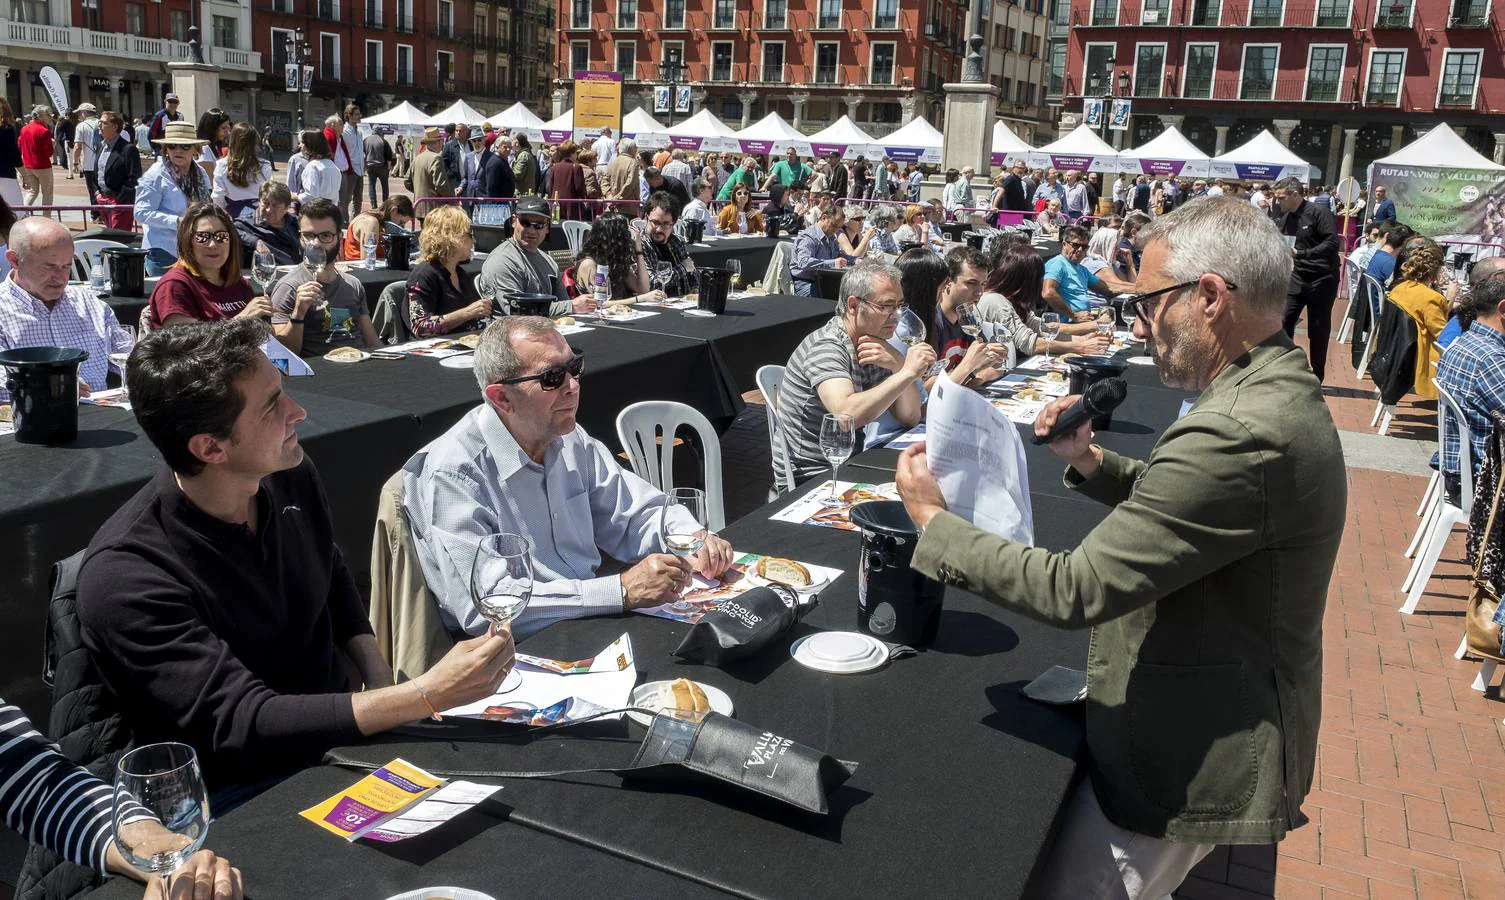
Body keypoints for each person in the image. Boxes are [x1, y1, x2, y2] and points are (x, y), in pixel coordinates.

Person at [894, 196, 1345, 899]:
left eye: (1148, 303)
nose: (1141, 324)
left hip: (1189, 745)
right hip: (1207, 707)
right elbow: (1196, 505)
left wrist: (933, 522)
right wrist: (1091, 463)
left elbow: (1074, 590)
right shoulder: (1269, 387)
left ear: (1208, 298)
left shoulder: (1239, 428)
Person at [75, 317, 516, 801]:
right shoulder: (127, 574)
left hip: (342, 743)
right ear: (209, 447)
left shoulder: (287, 473)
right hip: (240, 793)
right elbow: (243, 721)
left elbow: (327, 568)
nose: (298, 412)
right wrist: (423, 695)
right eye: (271, 408)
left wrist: (378, 673)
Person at [403, 316, 735, 636]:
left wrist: (692, 536)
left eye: (574, 369)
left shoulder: (570, 439)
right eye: (552, 377)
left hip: (591, 622)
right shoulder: (455, 472)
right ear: (501, 398)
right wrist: (618, 591)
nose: (573, 386)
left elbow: (636, 512)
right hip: (514, 651)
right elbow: (487, 605)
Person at [777, 262, 934, 483]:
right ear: (853, 305)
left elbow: (910, 417)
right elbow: (845, 416)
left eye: (900, 305)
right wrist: (906, 373)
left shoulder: (874, 344)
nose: (896, 315)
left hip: (852, 462)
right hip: (811, 476)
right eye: (886, 306)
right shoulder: (827, 346)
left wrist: (899, 365)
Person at [0, 217, 133, 402]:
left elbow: (129, 356)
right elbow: (2, 383)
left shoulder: (88, 302)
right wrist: (48, 383)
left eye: (67, 266)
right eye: (49, 266)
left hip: (101, 414)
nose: (60, 277)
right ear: (14, 260)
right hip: (32, 419)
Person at [272, 198, 380, 356]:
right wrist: (298, 313)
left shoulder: (352, 284)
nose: (316, 243)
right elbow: (284, 355)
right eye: (308, 235)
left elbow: (372, 342)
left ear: (339, 238)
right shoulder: (289, 287)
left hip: (360, 365)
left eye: (325, 236)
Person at [1436, 267, 1505, 499]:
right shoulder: (1491, 358)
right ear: (1502, 309)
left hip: (1460, 473)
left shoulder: (1464, 341)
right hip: (1481, 482)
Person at [147, 202, 270, 328]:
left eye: (221, 236)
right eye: (202, 237)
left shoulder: (240, 285)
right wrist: (242, 319)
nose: (212, 245)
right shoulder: (175, 285)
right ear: (187, 241)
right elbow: (185, 342)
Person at [978, 242, 1109, 359]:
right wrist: (1080, 346)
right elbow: (1029, 343)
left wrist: (1083, 339)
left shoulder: (1012, 299)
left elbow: (1040, 327)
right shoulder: (995, 301)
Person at [1270, 176, 1340, 382]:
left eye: (1281, 198)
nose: (1278, 202)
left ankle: (1318, 376)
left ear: (1295, 194)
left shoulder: (1319, 213)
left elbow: (1331, 243)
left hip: (1322, 278)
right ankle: (1283, 370)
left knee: (1317, 330)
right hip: (1297, 277)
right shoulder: (1285, 217)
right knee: (1284, 321)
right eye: (1276, 198)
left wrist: (1302, 254)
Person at [476, 196, 583, 317]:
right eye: (525, 223)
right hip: (512, 332)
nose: (531, 230)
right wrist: (571, 306)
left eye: (539, 225)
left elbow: (564, 302)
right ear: (513, 221)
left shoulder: (548, 261)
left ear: (547, 228)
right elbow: (517, 312)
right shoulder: (502, 260)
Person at [136, 122, 213, 276]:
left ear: (195, 149)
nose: (178, 150)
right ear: (166, 149)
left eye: (184, 146)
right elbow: (141, 213)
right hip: (163, 253)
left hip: (195, 250)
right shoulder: (155, 174)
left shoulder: (200, 173)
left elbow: (207, 204)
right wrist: (177, 221)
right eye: (172, 146)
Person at [405, 204, 489, 336]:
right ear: (452, 237)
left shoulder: (460, 273)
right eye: (469, 235)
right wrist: (467, 313)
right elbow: (421, 327)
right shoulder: (424, 275)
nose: (474, 240)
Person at [1386, 243, 1450, 400]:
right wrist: (1451, 299)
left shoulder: (1399, 288)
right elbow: (1442, 335)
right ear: (1435, 272)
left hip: (1393, 349)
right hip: (1417, 356)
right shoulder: (1431, 298)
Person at [1043, 225, 1130, 317]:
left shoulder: (1081, 269)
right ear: (1064, 244)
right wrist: (1073, 315)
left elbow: (1109, 288)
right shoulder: (1057, 264)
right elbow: (1048, 293)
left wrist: (1138, 288)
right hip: (1067, 324)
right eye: (1076, 245)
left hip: (1085, 319)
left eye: (1084, 247)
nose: (1080, 250)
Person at [572, 212, 649, 305]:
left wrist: (639, 251)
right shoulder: (589, 264)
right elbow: (600, 303)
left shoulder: (616, 261)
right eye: (626, 232)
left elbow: (643, 289)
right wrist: (639, 299)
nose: (629, 237)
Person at [639, 191, 700, 297]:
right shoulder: (640, 244)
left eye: (666, 224)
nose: (659, 229)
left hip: (682, 303)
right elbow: (652, 284)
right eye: (655, 222)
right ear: (646, 217)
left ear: (674, 224)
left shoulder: (677, 241)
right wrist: (682, 268)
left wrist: (695, 288)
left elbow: (692, 273)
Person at [211, 123, 272, 218]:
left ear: (232, 141)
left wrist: (224, 215)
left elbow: (218, 196)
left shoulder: (222, 165)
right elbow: (269, 193)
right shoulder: (265, 166)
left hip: (234, 214)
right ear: (255, 143)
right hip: (258, 213)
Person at [95, 111, 143, 230]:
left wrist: (119, 199)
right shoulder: (102, 146)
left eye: (104, 123)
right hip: (103, 200)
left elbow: (135, 177)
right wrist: (97, 194)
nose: (99, 126)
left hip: (119, 202)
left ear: (115, 127)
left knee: (118, 238)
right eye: (99, 122)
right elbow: (96, 172)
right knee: (110, 236)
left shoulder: (128, 149)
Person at [791, 203, 851, 296]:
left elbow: (838, 256)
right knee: (837, 293)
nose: (836, 230)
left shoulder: (831, 236)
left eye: (839, 227)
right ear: (824, 218)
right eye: (834, 225)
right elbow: (804, 262)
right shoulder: (808, 237)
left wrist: (856, 260)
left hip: (823, 281)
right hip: (805, 284)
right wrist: (833, 263)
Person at [236, 181, 300, 265]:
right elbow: (231, 230)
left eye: (275, 205)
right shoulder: (246, 225)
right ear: (259, 202)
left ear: (287, 207)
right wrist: (255, 242)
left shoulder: (296, 222)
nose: (269, 210)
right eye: (266, 203)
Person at [411, 127, 456, 220]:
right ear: (437, 143)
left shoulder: (417, 158)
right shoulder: (436, 158)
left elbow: (408, 182)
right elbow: (441, 185)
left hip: (419, 205)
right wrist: (452, 198)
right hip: (433, 207)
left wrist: (420, 191)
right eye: (441, 142)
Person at [295, 129, 342, 209]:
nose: (300, 145)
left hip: (316, 213)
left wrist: (295, 196)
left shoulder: (313, 166)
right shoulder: (333, 166)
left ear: (309, 145)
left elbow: (311, 196)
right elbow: (335, 197)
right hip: (331, 211)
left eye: (302, 142)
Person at [19, 106, 54, 209]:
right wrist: (53, 144)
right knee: (47, 193)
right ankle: (46, 217)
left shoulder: (24, 129)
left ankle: (23, 213)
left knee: (32, 192)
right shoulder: (44, 131)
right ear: (42, 116)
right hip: (42, 166)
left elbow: (19, 145)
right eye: (48, 115)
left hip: (28, 165)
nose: (50, 118)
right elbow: (49, 152)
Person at [70, 104, 102, 215]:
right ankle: (106, 212)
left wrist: (75, 162)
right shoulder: (103, 123)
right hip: (104, 162)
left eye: (80, 113)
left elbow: (77, 146)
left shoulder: (81, 126)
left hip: (89, 163)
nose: (79, 115)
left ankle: (96, 214)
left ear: (84, 112)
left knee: (93, 190)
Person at [335, 104, 365, 221]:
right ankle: (344, 221)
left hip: (361, 170)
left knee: (359, 199)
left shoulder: (359, 132)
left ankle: (355, 220)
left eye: (359, 114)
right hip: (350, 170)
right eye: (357, 114)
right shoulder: (344, 132)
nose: (359, 116)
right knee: (346, 199)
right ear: (349, 116)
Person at [548, 139, 587, 221]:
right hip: (572, 206)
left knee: (557, 229)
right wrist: (584, 198)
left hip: (556, 204)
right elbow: (579, 187)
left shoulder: (554, 167)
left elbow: (550, 188)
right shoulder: (576, 167)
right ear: (572, 154)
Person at [602, 137, 641, 217]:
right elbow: (630, 184)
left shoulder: (612, 162)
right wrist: (617, 199)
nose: (637, 149)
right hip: (628, 207)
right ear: (630, 148)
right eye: (635, 147)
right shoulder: (633, 163)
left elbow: (604, 181)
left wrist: (610, 197)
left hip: (612, 207)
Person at [364, 128, 394, 209]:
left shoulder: (366, 140)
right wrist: (389, 167)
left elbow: (363, 153)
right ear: (380, 132)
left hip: (370, 166)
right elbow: (389, 155)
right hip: (382, 167)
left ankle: (373, 204)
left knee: (371, 185)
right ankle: (385, 204)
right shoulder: (383, 141)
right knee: (384, 186)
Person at [0, 98, 21, 208]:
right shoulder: (6, 129)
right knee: (15, 209)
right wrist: (24, 174)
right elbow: (13, 153)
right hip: (5, 174)